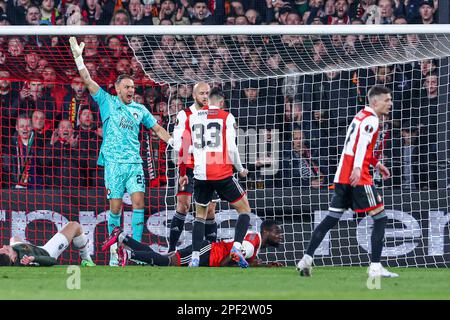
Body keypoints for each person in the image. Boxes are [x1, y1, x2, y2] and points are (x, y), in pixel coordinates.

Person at [69, 37, 174, 266]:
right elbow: (87, 80)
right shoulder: (106, 101)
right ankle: (115, 253)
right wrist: (79, 59)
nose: (131, 90)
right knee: (115, 208)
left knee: (138, 203)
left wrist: (173, 142)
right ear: (117, 89)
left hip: (134, 164)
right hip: (113, 165)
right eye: (126, 87)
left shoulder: (140, 109)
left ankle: (135, 253)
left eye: (132, 88)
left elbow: (157, 128)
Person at [296, 85, 399, 278]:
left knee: (330, 219)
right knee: (381, 217)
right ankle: (375, 267)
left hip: (341, 176)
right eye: (387, 100)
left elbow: (353, 144)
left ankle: (306, 259)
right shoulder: (371, 119)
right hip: (357, 178)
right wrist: (359, 169)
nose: (390, 103)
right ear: (375, 101)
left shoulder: (360, 115)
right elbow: (360, 145)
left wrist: (376, 164)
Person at [177, 88, 252, 268]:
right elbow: (232, 149)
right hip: (222, 173)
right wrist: (240, 169)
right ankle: (236, 247)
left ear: (207, 100)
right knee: (245, 210)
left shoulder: (192, 117)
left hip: (200, 174)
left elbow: (184, 149)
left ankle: (195, 257)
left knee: (200, 216)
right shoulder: (227, 116)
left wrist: (182, 174)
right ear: (220, 103)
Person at [101, 220, 284, 268]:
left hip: (208, 253)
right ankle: (127, 254)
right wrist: (245, 265)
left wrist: (265, 265)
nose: (280, 235)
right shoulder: (254, 241)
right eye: (277, 231)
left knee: (164, 258)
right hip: (207, 253)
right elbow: (229, 260)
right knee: (167, 262)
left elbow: (241, 258)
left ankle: (122, 237)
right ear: (265, 231)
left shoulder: (254, 242)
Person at [168, 83, 218, 255]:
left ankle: (211, 251)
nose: (205, 96)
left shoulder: (214, 113)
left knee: (210, 208)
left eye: (207, 93)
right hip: (189, 167)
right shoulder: (184, 115)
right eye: (201, 93)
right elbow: (178, 143)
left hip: (210, 167)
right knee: (183, 206)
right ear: (194, 95)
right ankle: (171, 249)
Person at [0, 221, 95, 267]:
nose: (4, 246)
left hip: (25, 248)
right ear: (13, 258)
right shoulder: (26, 260)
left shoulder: (7, 256)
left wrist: (10, 249)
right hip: (46, 251)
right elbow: (52, 260)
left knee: (14, 238)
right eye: (7, 250)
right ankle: (86, 259)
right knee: (74, 226)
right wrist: (34, 258)